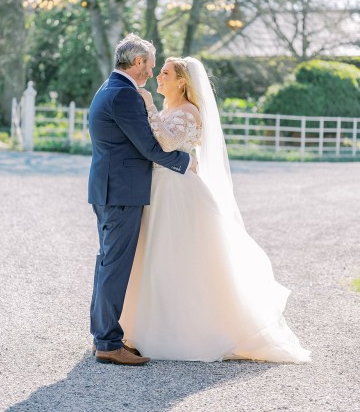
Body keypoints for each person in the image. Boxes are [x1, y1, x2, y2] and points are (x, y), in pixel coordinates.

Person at [120, 56, 311, 363]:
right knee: (154, 257)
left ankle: (186, 332)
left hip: (180, 193)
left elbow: (168, 143)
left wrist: (148, 105)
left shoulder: (190, 112)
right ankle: (148, 327)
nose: (158, 78)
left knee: (178, 257)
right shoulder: (170, 109)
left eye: (165, 73)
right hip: (159, 189)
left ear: (182, 81)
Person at [88, 35, 196, 366]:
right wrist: (187, 163)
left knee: (108, 262)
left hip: (111, 189)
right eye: (149, 65)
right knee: (114, 265)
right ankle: (107, 341)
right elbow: (149, 147)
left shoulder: (109, 88)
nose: (150, 72)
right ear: (137, 63)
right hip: (120, 193)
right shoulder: (124, 95)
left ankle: (103, 337)